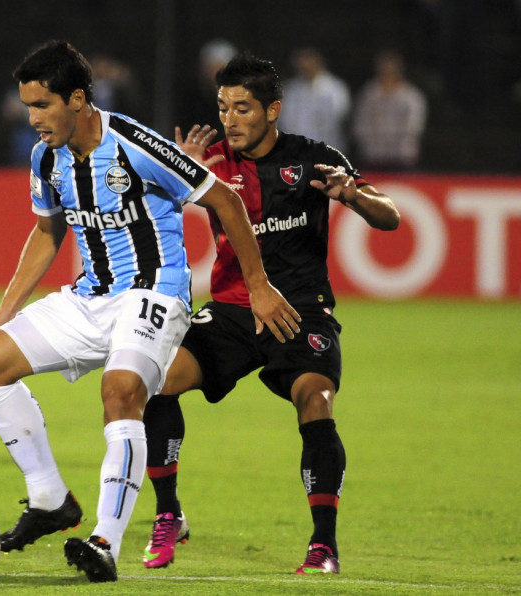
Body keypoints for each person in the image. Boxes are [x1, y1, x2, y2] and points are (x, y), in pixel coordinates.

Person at [0, 41, 299, 583]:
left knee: (120, 392)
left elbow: (226, 201)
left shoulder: (135, 144)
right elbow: (48, 230)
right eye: (28, 106)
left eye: (42, 106)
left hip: (155, 294)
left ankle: (104, 542)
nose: (33, 119)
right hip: (90, 297)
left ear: (77, 99)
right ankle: (49, 499)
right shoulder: (45, 156)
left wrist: (258, 285)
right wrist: (6, 309)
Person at [141, 51, 400, 574]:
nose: (229, 120)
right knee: (157, 381)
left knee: (316, 401)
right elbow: (145, 204)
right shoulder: (209, 160)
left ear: (273, 110)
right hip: (235, 309)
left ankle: (323, 544)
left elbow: (389, 216)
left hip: (301, 311)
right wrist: (175, 171)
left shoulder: (312, 158)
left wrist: (350, 194)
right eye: (223, 108)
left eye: (242, 108)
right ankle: (168, 514)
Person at [351, 50, 428, 171]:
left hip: (402, 155)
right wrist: (369, 145)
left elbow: (414, 126)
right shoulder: (369, 93)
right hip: (372, 155)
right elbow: (361, 122)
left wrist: (394, 145)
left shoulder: (411, 96)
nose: (387, 71)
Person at [279, 47, 351, 152]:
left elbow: (338, 120)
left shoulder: (335, 89)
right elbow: (285, 122)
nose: (304, 64)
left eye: (308, 59)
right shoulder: (290, 90)